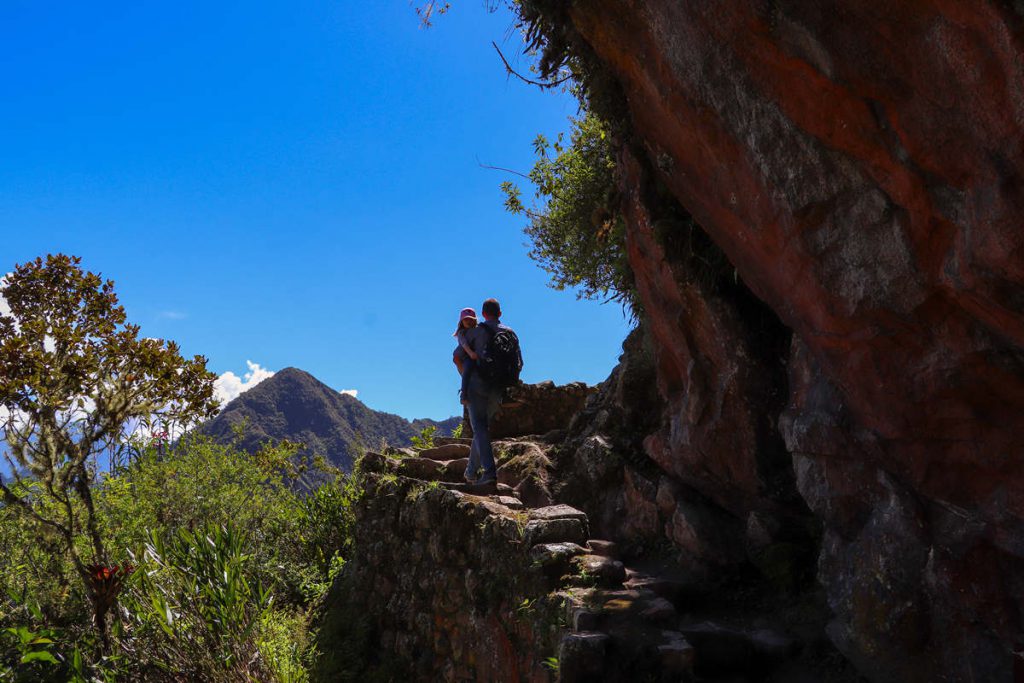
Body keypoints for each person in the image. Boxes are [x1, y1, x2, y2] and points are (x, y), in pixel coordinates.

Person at [459, 298, 516, 486]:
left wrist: (465, 382)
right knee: (482, 430)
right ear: (500, 313)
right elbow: (517, 363)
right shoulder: (510, 333)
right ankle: (471, 472)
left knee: (480, 429)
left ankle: (490, 473)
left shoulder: (477, 332)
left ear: (483, 314)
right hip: (498, 387)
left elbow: (456, 356)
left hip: (477, 385)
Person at [452, 307, 479, 405]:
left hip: (474, 354)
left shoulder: (478, 330)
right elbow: (464, 344)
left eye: (471, 319)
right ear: (461, 321)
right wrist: (471, 353)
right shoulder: (461, 333)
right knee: (467, 370)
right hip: (466, 356)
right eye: (466, 319)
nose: (468, 321)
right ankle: (464, 395)